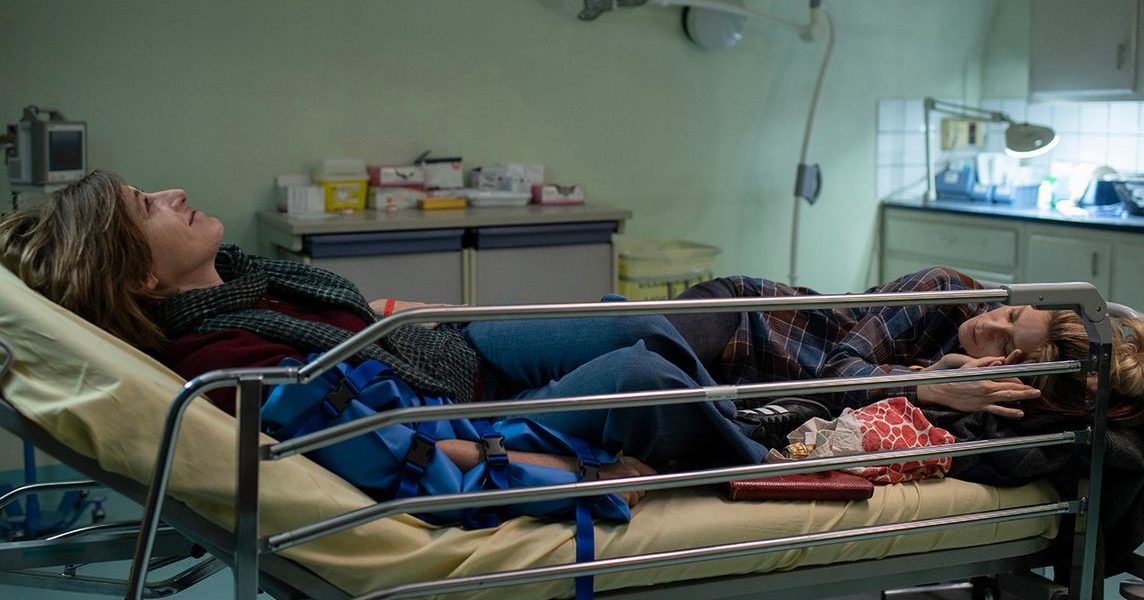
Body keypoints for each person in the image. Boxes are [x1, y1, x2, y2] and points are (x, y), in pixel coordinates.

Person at [0, 170, 771, 508]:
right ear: (141, 277)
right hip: (465, 416)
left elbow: (353, 321)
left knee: (633, 321)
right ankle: (777, 463)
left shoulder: (243, 278)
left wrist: (431, 312)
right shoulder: (227, 361)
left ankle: (747, 407)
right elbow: (399, 447)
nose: (174, 194)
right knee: (643, 374)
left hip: (448, 356)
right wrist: (581, 469)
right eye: (149, 206)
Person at [668, 271, 1144, 429]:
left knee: (658, 400)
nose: (990, 324)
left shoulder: (998, 387)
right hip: (745, 321)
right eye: (1012, 313)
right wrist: (931, 385)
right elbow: (836, 373)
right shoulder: (944, 292)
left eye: (1005, 341)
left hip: (751, 394)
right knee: (639, 354)